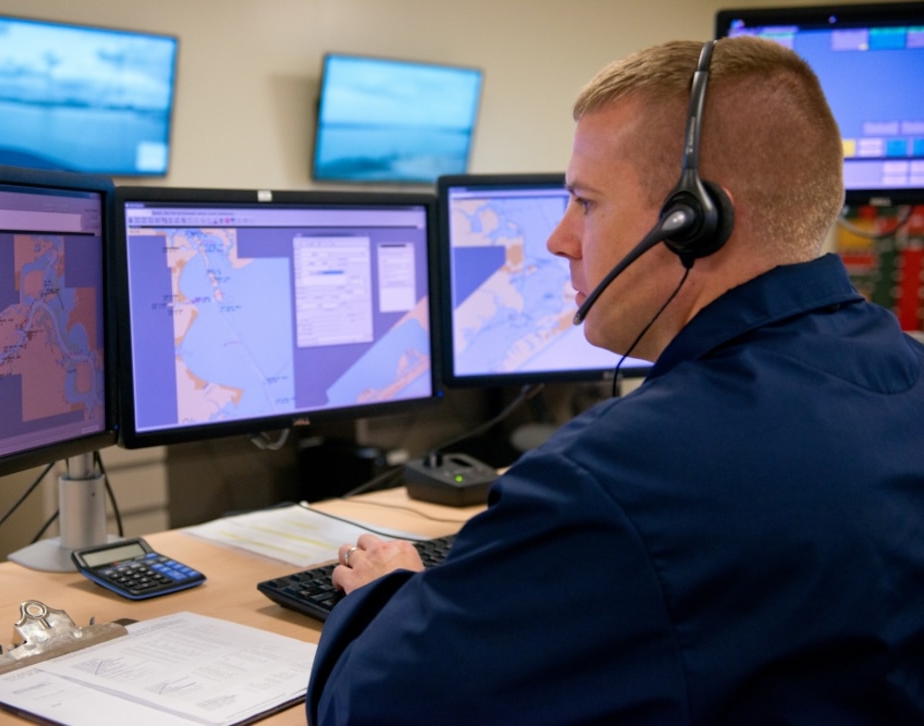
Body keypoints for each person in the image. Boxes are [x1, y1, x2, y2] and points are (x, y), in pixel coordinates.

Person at [305, 36, 924, 724]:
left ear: (693, 223)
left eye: (584, 202)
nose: (559, 239)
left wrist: (386, 593)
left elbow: (373, 710)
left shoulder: (611, 480)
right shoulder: (908, 381)